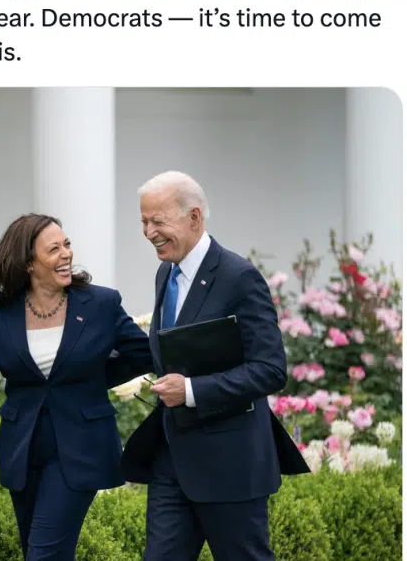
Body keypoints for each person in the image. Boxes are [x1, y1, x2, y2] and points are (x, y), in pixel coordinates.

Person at [0, 213, 154, 560]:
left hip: (80, 449)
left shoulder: (101, 304)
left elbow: (146, 355)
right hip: (22, 451)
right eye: (53, 249)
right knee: (36, 551)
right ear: (28, 262)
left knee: (44, 555)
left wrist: (94, 379)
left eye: (66, 244)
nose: (66, 254)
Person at [119, 171, 309, 561]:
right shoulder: (165, 272)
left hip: (230, 466)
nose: (149, 232)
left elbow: (270, 369)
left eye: (158, 221)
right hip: (172, 461)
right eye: (144, 222)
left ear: (194, 217)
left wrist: (190, 391)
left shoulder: (239, 278)